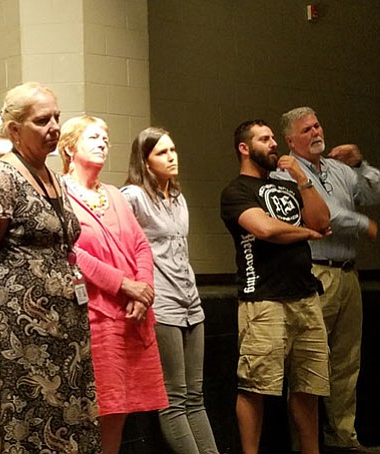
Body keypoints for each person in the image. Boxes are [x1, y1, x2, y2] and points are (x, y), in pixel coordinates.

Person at [0, 83, 101, 453]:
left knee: (67, 421)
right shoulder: (1, 177)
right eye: (42, 120)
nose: (54, 126)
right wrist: (14, 291)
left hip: (65, 330)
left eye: (56, 117)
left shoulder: (54, 178)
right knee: (24, 422)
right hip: (20, 336)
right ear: (14, 129)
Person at [58, 115, 169, 454]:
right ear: (69, 147)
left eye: (105, 137)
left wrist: (143, 291)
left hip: (130, 316)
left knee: (119, 409)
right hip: (93, 317)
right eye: (93, 137)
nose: (103, 142)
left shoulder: (114, 195)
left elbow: (140, 245)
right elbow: (70, 251)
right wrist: (124, 285)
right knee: (93, 409)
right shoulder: (59, 192)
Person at [220, 120, 331, 454]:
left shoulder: (288, 187)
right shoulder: (236, 191)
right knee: (256, 385)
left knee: (309, 386)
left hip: (305, 297)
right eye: (264, 139)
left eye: (272, 138)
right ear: (244, 147)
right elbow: (266, 229)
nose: (272, 144)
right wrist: (306, 234)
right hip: (264, 299)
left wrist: (301, 177)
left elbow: (322, 221)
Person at [277, 107, 380, 454]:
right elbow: (323, 217)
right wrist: (362, 224)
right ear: (291, 140)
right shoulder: (286, 172)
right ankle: (306, 445)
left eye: (318, 125)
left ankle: (343, 437)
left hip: (348, 273)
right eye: (306, 130)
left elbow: (374, 195)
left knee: (347, 360)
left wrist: (360, 164)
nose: (316, 132)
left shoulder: (339, 169)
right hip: (315, 271)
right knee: (309, 362)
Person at [121, 127, 219, 454]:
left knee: (196, 396)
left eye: (173, 150)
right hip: (162, 305)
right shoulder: (133, 196)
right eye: (162, 152)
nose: (172, 156)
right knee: (174, 399)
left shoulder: (177, 197)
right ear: (145, 162)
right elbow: (121, 246)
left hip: (191, 300)